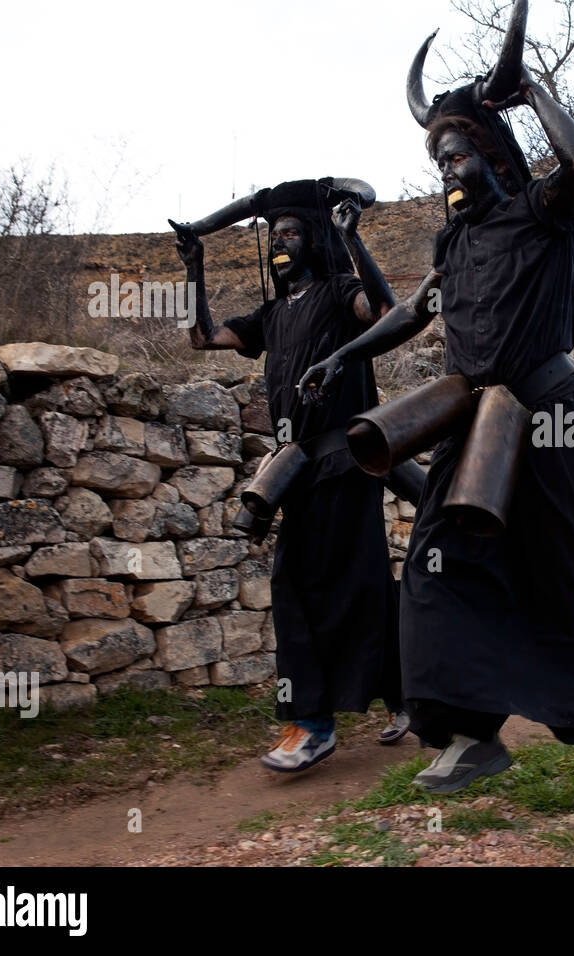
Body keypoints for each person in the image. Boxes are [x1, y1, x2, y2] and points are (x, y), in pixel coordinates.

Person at [297, 6, 574, 810]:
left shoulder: (543, 215)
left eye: (458, 155)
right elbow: (413, 312)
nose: (447, 169)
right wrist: (340, 355)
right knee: (436, 574)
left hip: (549, 417)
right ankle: (469, 736)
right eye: (439, 157)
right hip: (469, 423)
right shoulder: (452, 242)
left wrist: (533, 90)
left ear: (492, 158)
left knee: (566, 576)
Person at [171, 180, 409, 772]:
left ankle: (335, 718)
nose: (281, 244)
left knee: (360, 585)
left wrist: (354, 238)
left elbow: (386, 313)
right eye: (273, 235)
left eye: (291, 234)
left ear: (314, 239)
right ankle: (339, 712)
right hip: (296, 471)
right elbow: (203, 337)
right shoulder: (272, 315)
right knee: (297, 588)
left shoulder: (339, 294)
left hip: (347, 463)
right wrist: (194, 264)